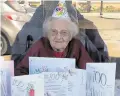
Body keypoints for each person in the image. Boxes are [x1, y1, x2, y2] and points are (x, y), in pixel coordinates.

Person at [15, 1, 93, 76]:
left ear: (70, 35)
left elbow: (90, 71)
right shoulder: (40, 45)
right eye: (53, 32)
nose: (58, 37)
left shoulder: (76, 46)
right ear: (48, 34)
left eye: (64, 32)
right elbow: (20, 71)